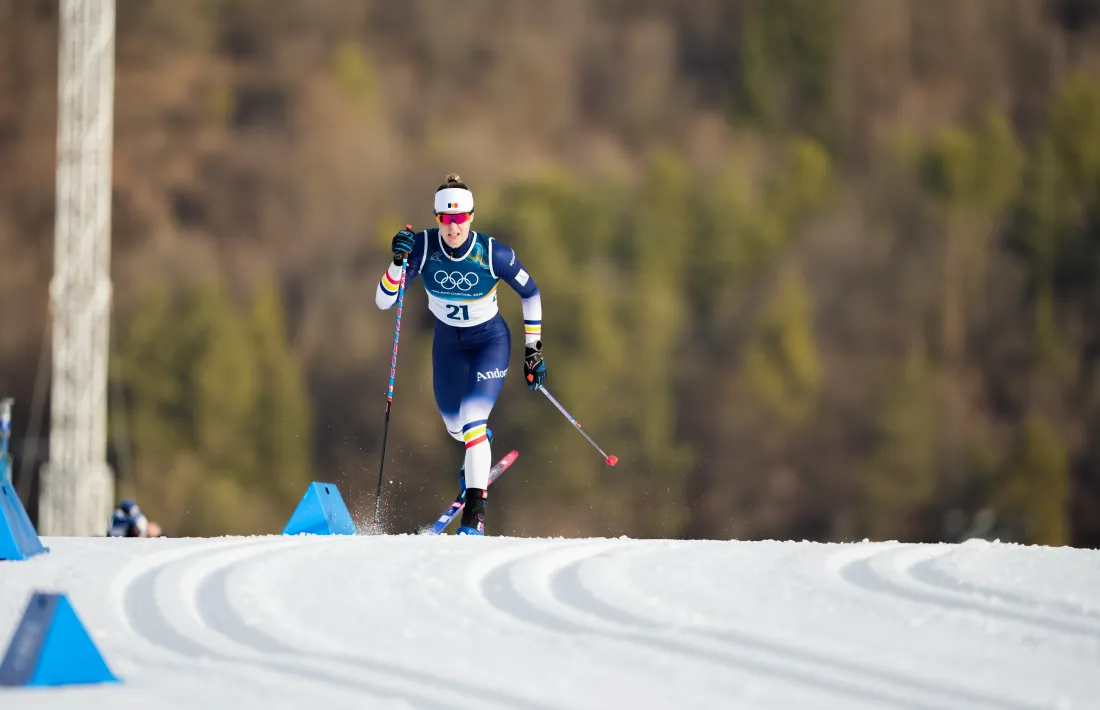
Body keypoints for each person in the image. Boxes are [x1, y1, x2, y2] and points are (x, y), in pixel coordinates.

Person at [375, 174, 547, 535]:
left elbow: (530, 293)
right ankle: (477, 449)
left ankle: (474, 516)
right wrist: (397, 262)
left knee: (472, 420)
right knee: (457, 427)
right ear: (436, 218)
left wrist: (533, 352)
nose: (453, 228)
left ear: (471, 217)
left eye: (460, 219)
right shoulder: (422, 248)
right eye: (445, 219)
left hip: (489, 342)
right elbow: (384, 301)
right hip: (447, 345)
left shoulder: (493, 254)